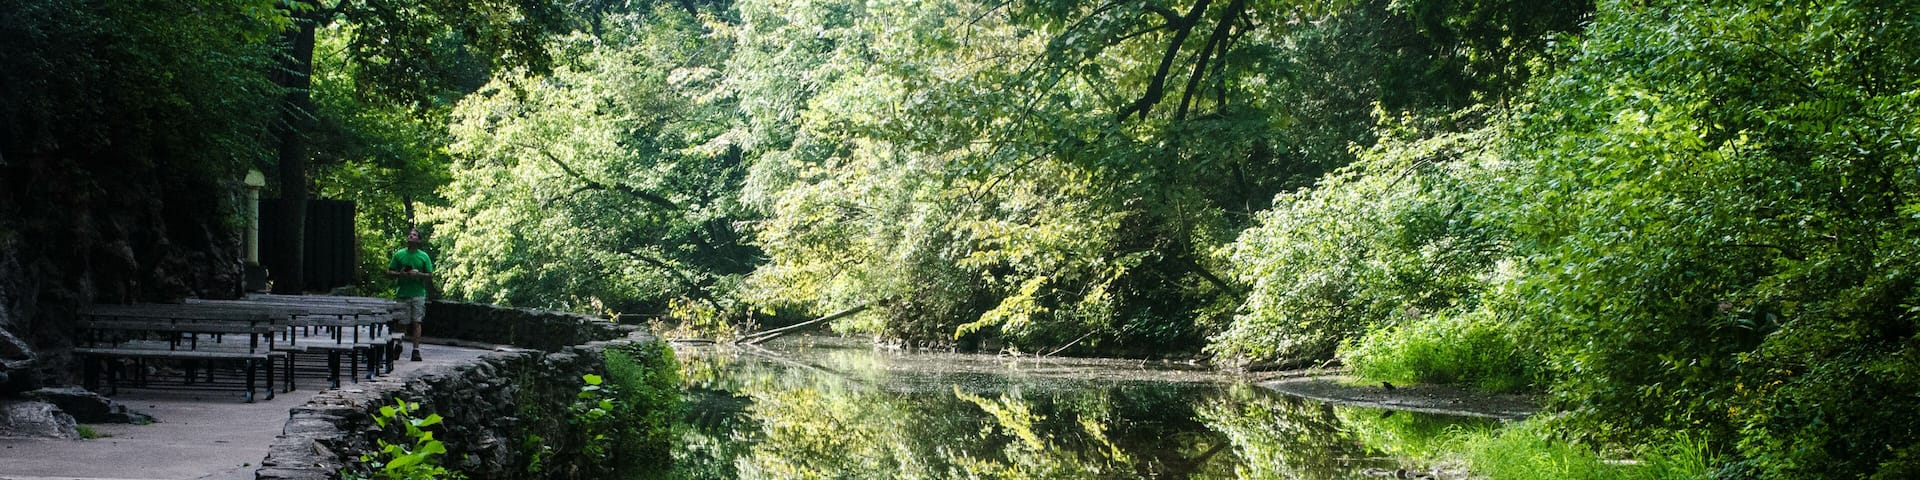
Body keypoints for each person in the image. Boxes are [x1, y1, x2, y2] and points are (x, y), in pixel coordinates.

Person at [386, 228, 433, 361]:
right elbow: (389, 272)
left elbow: (430, 275)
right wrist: (400, 274)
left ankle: (416, 350)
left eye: (414, 235)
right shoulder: (399, 254)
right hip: (403, 293)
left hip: (418, 293)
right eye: (410, 235)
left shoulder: (424, 256)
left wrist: (418, 274)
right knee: (402, 323)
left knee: (416, 322)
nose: (411, 237)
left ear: (418, 240)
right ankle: (399, 345)